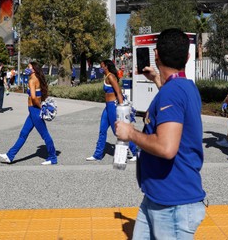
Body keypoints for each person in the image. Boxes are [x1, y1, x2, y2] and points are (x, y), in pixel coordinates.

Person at [115, 29, 206, 239]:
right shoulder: (185, 87)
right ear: (188, 57)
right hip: (157, 197)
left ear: (156, 55)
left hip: (173, 203)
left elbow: (166, 148)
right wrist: (157, 80)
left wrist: (130, 133)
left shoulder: (172, 93)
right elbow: (173, 102)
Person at [0, 62, 58, 165]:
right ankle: (10, 155)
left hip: (35, 110)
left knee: (45, 135)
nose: (27, 68)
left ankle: (52, 157)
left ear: (33, 69)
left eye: (29, 67)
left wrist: (41, 108)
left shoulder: (32, 80)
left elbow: (34, 97)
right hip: (32, 111)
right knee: (23, 133)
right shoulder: (37, 78)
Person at [86, 59, 137, 162]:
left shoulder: (111, 77)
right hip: (107, 107)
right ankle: (98, 155)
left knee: (117, 131)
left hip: (113, 106)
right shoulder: (106, 77)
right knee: (102, 130)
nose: (100, 68)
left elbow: (118, 92)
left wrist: (122, 107)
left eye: (102, 66)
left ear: (106, 66)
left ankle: (136, 151)